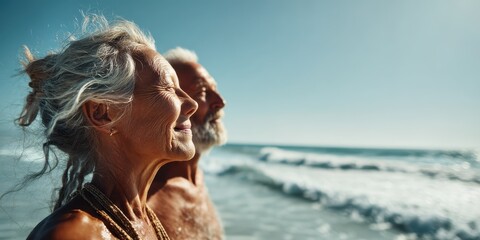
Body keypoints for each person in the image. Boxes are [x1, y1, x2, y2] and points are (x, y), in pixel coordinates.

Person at [20, 15, 198, 239]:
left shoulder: (145, 219)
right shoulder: (73, 234)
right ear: (103, 114)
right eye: (168, 88)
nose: (192, 104)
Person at [148, 47, 227, 240]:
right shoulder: (149, 203)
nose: (220, 102)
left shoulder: (198, 178)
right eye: (202, 91)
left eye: (215, 90)